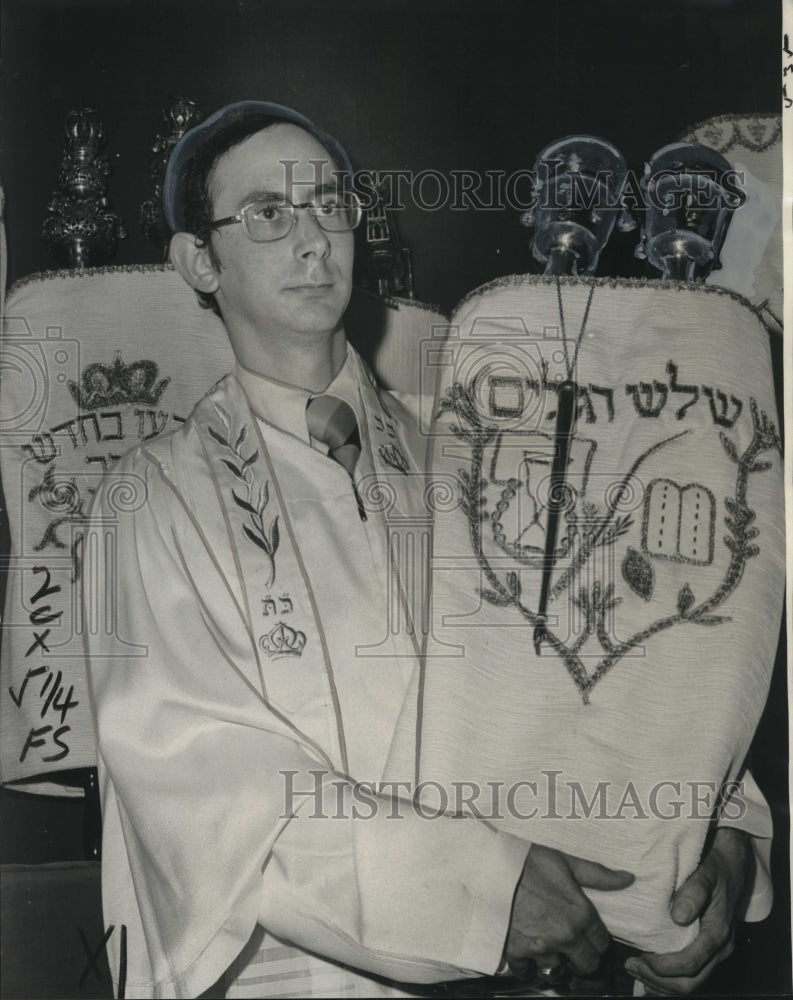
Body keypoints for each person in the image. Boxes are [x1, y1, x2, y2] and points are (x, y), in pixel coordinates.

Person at [85, 101, 765, 1000]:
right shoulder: (154, 496)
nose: (314, 239)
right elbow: (199, 775)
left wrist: (722, 839)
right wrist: (478, 890)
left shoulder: (472, 450)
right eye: (267, 213)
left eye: (330, 203)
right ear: (197, 261)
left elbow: (630, 658)